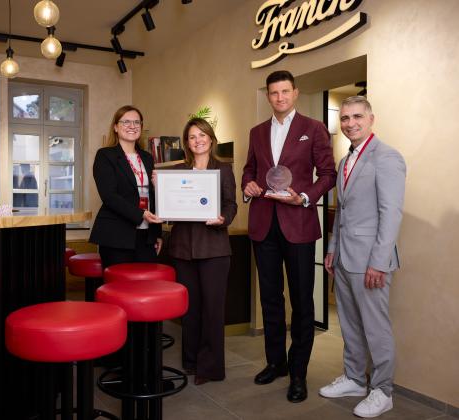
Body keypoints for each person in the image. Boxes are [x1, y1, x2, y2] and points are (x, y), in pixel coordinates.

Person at [241, 70, 336, 402]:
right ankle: (276, 363)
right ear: (268, 96)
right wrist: (248, 185)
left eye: (285, 91)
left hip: (298, 224)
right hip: (263, 224)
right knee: (270, 298)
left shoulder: (314, 128)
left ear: (295, 93)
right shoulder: (256, 132)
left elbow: (328, 174)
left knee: (302, 301)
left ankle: (298, 373)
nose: (279, 97)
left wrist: (306, 197)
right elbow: (249, 169)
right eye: (273, 93)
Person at [319, 96, 406, 418]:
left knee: (375, 328)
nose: (350, 123)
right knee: (351, 324)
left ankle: (383, 391)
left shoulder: (387, 157)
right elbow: (342, 211)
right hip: (344, 257)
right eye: (345, 118)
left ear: (371, 119)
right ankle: (355, 379)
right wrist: (332, 249)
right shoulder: (345, 161)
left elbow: (391, 214)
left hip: (371, 260)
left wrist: (378, 262)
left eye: (357, 117)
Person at [165, 118, 237, 385]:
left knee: (213, 310)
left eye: (202, 135)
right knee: (190, 309)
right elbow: (168, 204)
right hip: (183, 249)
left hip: (214, 249)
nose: (198, 140)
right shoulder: (177, 170)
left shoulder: (224, 169)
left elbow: (231, 204)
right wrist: (160, 188)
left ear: (211, 138)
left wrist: (223, 218)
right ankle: (191, 361)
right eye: (192, 137)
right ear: (187, 142)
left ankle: (211, 367)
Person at [89, 105, 163, 268]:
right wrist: (141, 214)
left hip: (147, 235)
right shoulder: (105, 155)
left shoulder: (147, 158)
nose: (132, 126)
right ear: (115, 127)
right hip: (116, 235)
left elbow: (152, 196)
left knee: (147, 282)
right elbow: (109, 196)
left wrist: (156, 233)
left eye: (136, 122)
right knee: (119, 282)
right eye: (126, 122)